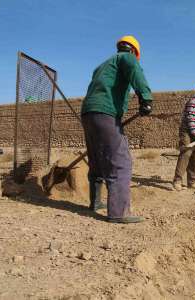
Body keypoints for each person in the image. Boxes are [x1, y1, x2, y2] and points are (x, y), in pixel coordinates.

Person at [80, 35, 153, 223]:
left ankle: (95, 202)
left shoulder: (102, 66)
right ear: (134, 52)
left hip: (89, 113)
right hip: (106, 112)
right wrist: (145, 98)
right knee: (121, 161)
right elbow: (135, 71)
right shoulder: (126, 58)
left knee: (96, 158)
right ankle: (119, 212)